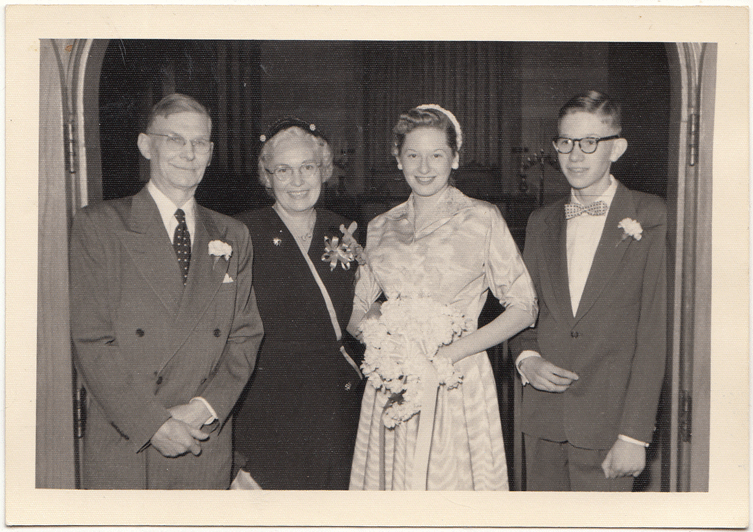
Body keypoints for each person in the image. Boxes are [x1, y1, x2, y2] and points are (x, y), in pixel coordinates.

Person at [69, 93, 264, 489]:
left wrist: (203, 408)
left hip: (201, 438)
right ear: (146, 144)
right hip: (129, 438)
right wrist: (152, 423)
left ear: (210, 153)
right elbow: (91, 339)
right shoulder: (100, 226)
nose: (189, 153)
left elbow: (245, 335)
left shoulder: (232, 234)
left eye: (199, 143)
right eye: (175, 139)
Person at [348, 104, 538, 491]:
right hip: (394, 379)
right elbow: (357, 311)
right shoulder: (380, 226)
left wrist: (449, 354)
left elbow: (523, 307)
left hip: (457, 378)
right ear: (398, 160)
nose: (424, 167)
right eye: (412, 155)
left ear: (455, 158)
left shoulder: (482, 218)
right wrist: (388, 348)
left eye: (436, 155)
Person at [512, 91, 667, 491]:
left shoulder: (652, 216)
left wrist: (634, 435)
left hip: (611, 427)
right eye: (565, 142)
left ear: (617, 148)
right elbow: (524, 310)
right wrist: (526, 357)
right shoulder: (540, 221)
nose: (575, 156)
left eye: (589, 143)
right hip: (544, 421)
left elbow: (654, 334)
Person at [232, 118, 365, 490]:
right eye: (284, 170)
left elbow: (352, 314)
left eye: (307, 168)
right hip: (270, 407)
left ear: (323, 171)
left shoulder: (344, 231)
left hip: (334, 406)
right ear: (267, 177)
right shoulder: (243, 232)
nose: (297, 181)